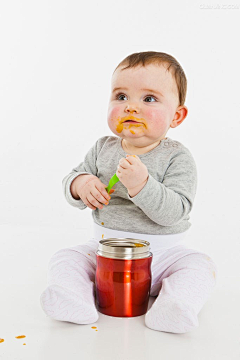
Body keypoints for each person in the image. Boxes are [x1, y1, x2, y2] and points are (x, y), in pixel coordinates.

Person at [40, 51, 217, 333]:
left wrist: (142, 186)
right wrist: (81, 184)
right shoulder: (103, 148)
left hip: (163, 255)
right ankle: (72, 297)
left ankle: (175, 305)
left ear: (177, 116)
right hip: (105, 254)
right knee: (67, 257)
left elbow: (176, 212)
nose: (131, 107)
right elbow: (71, 179)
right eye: (121, 96)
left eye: (149, 99)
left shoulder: (177, 158)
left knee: (198, 266)